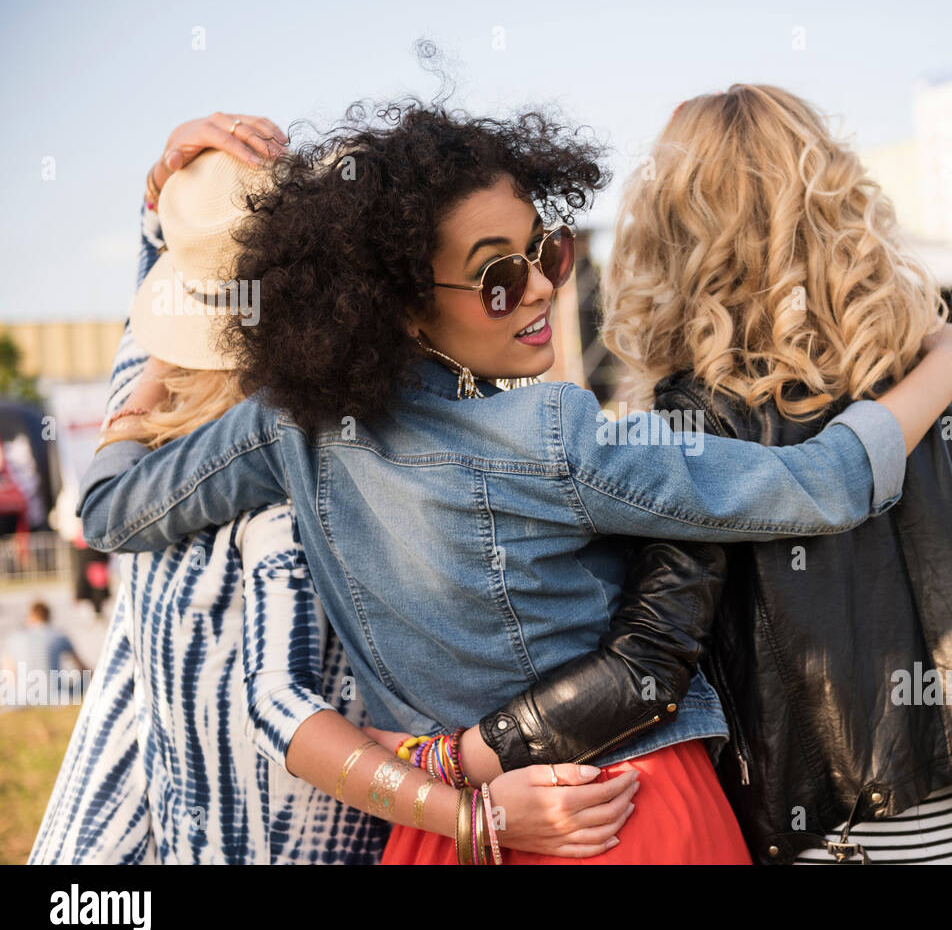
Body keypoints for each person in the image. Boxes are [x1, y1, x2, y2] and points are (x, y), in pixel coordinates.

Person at [75, 97, 952, 863]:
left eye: (545, 251)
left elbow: (111, 507)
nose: (542, 288)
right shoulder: (552, 434)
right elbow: (821, 486)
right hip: (617, 809)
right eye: (498, 277)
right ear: (398, 300)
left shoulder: (288, 425)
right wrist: (944, 365)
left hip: (444, 827)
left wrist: (159, 347)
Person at [34, 123, 641, 864]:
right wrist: (174, 198)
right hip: (258, 833)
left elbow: (279, 705)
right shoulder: (255, 448)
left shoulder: (240, 459)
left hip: (257, 833)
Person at [578, 85, 952, 863]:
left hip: (811, 830)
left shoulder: (697, 416)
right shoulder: (941, 381)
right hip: (945, 821)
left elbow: (655, 659)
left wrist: (458, 760)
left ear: (674, 225)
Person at [1, 602, 89, 708]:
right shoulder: (59, 635)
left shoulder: (15, 637)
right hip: (55, 695)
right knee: (80, 678)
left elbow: (9, 673)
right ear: (48, 617)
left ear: (30, 616)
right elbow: (82, 667)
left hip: (22, 697)